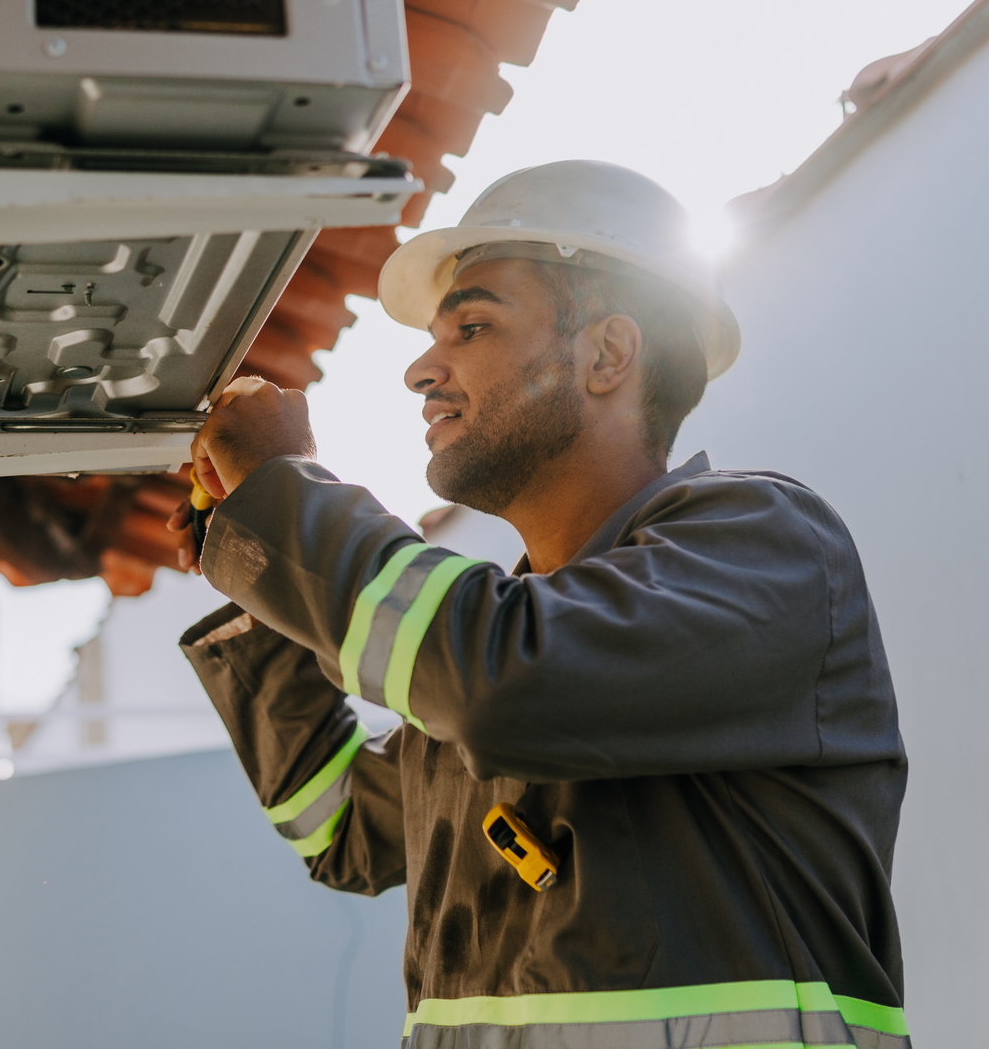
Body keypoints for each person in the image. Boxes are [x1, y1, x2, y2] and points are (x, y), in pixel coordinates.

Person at [169, 161, 910, 1049]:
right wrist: (262, 586)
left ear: (606, 355)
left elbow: (502, 679)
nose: (419, 370)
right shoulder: (507, 640)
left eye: (471, 325)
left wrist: (288, 499)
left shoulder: (766, 543)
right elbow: (340, 829)